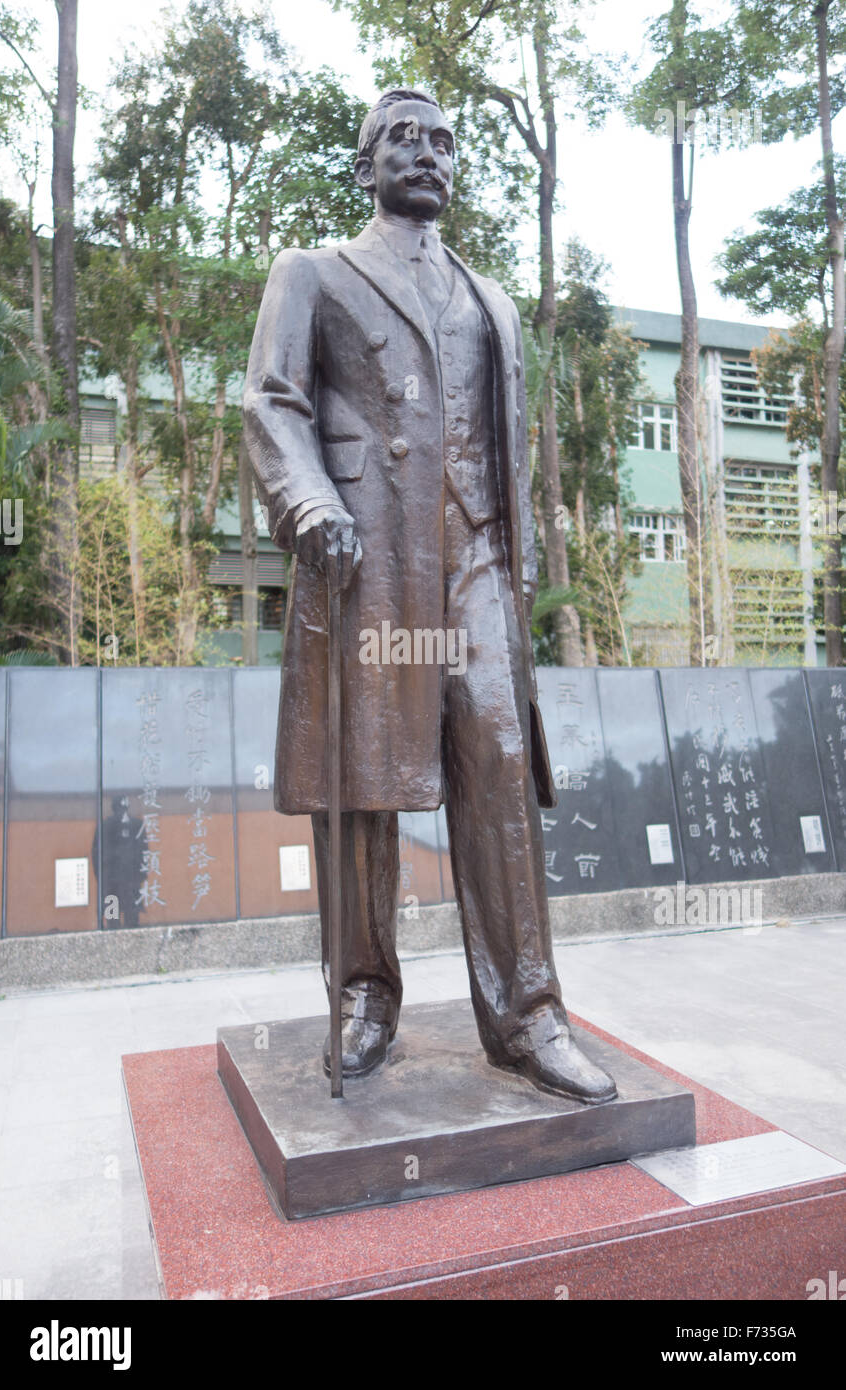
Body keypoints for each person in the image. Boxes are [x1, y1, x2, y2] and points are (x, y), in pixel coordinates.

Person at [243, 88, 616, 1105]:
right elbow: (271, 403)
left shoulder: (490, 302)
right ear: (365, 166)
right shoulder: (314, 275)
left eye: (445, 141)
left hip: (476, 572)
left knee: (494, 766)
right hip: (374, 570)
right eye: (404, 138)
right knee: (364, 785)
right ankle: (364, 994)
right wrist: (309, 502)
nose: (429, 154)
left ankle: (526, 1014)